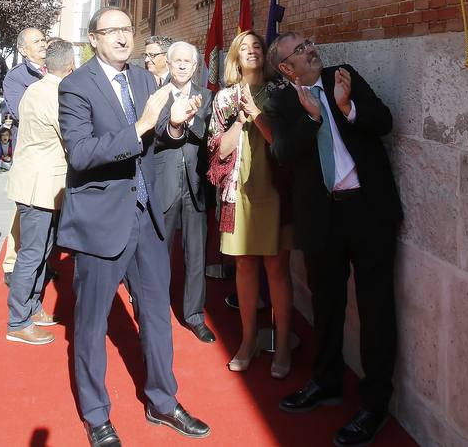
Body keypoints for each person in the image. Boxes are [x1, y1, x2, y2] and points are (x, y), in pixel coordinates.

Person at [57, 7, 209, 446]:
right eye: (113, 31)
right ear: (93, 38)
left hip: (147, 218)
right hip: (101, 222)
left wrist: (175, 125)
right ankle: (96, 413)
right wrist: (142, 124)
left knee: (157, 314)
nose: (123, 38)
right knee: (91, 323)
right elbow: (81, 155)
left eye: (127, 30)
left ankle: (163, 402)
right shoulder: (76, 86)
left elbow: (159, 138)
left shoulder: (144, 81)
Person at [266, 34, 401, 447]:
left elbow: (384, 122)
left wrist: (347, 107)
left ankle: (374, 404)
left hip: (368, 211)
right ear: (286, 68)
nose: (309, 49)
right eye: (299, 49)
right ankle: (326, 381)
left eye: (307, 42)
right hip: (322, 218)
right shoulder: (281, 102)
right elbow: (284, 154)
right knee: (327, 304)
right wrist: (311, 119)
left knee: (377, 307)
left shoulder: (345, 76)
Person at [207, 29, 294, 378]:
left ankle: (284, 343)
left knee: (276, 268)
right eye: (244, 48)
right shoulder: (224, 99)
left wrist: (257, 113)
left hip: (273, 190)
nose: (252, 51)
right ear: (235, 58)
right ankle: (247, 340)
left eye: (257, 46)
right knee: (244, 267)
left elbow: (285, 144)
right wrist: (241, 118)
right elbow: (219, 150)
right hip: (238, 191)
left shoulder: (280, 92)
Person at [5, 38, 74, 345]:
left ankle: (32, 307)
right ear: (70, 68)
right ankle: (17, 321)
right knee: (32, 253)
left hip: (40, 183)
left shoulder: (37, 88)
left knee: (43, 249)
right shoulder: (57, 94)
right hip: (38, 184)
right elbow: (71, 135)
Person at [152, 40, 215, 343]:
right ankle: (155, 309)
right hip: (163, 184)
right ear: (168, 62)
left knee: (196, 254)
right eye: (176, 60)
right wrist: (175, 121)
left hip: (196, 185)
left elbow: (209, 140)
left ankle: (194, 315)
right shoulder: (156, 95)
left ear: (194, 67)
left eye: (186, 62)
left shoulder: (208, 97)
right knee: (158, 253)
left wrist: (192, 118)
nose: (180, 65)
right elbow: (153, 136)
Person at [0, 28, 48, 281]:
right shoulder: (17, 78)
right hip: (31, 151)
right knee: (25, 207)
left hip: (57, 151)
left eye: (44, 39)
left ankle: (46, 261)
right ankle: (12, 263)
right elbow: (21, 112)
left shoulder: (58, 69)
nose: (43, 44)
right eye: (37, 41)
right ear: (23, 50)